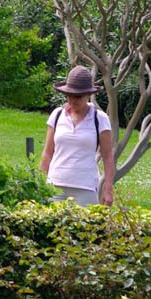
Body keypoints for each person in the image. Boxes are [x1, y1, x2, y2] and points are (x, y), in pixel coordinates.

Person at [39, 65, 115, 206]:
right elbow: (47, 153)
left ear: (88, 95)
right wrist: (39, 184)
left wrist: (108, 189)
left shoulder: (100, 118)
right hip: (54, 186)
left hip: (85, 189)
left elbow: (108, 155)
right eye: (69, 95)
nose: (72, 100)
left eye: (78, 96)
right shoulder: (57, 115)